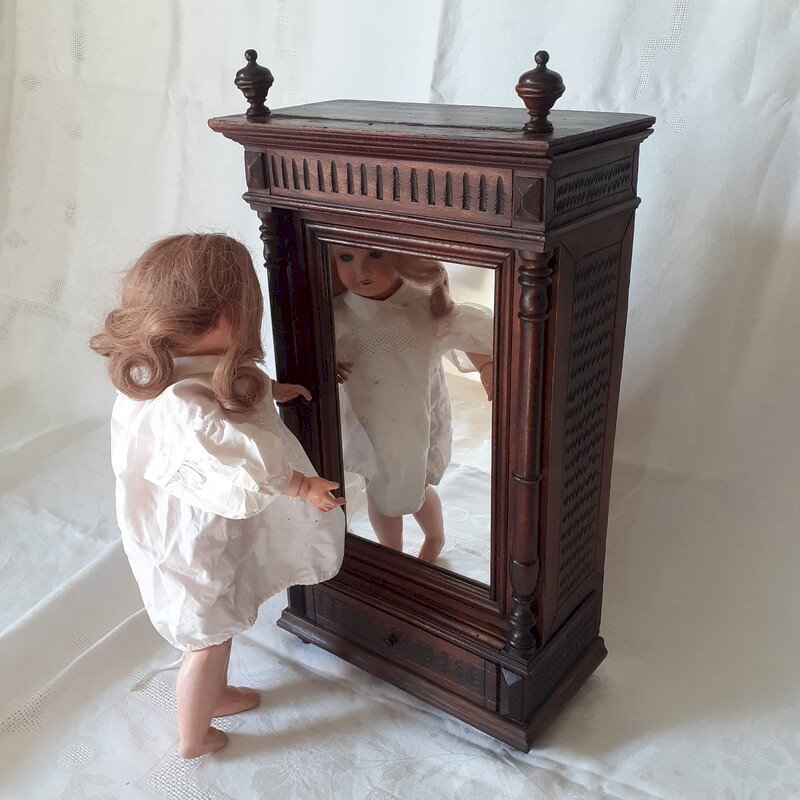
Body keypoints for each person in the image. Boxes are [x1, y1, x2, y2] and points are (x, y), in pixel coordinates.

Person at [89, 233, 345, 759]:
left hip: (179, 529)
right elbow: (240, 457)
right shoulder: (183, 404)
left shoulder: (157, 371)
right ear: (225, 317)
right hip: (188, 544)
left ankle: (216, 696)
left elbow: (224, 383)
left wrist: (269, 389)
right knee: (206, 639)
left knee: (212, 627)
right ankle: (195, 736)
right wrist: (302, 485)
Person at [330, 244, 493, 564]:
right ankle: (392, 554)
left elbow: (464, 329)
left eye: (375, 254)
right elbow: (318, 351)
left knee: (416, 487)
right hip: (368, 422)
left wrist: (486, 366)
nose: (361, 271)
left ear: (401, 254)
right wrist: (328, 363)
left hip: (415, 417)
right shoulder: (337, 314)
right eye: (345, 258)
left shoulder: (421, 303)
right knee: (379, 491)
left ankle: (434, 536)